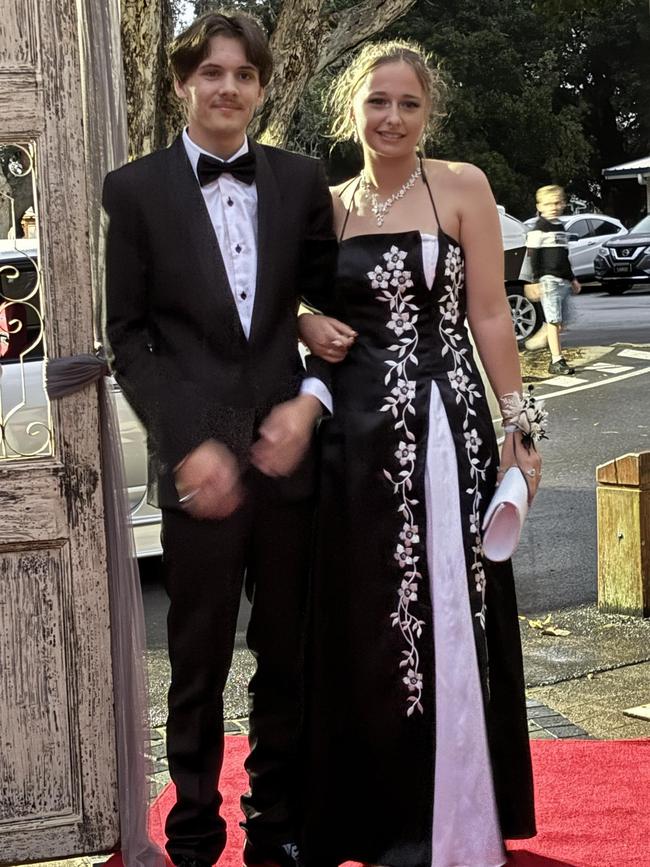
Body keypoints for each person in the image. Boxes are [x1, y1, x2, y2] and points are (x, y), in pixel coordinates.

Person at [102, 11, 337, 867]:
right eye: (210, 74)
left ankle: (275, 827)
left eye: (242, 75)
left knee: (287, 656)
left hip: (290, 465)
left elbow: (329, 314)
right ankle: (193, 834)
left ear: (263, 87)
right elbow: (128, 336)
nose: (227, 88)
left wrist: (308, 400)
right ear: (181, 85)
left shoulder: (302, 181)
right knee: (196, 664)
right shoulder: (132, 191)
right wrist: (184, 441)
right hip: (198, 470)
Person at [297, 40, 541, 867]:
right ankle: (381, 822)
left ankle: (460, 823)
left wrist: (523, 423)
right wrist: (301, 320)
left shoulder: (463, 186)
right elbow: (280, 306)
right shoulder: (324, 208)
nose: (391, 117)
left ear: (427, 111)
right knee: (368, 620)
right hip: (354, 446)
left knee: (451, 607)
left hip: (447, 431)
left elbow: (491, 317)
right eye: (377, 102)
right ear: (352, 109)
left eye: (407, 103)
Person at [526, 184, 581, 374]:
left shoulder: (561, 227)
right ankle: (556, 361)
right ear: (540, 206)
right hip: (548, 280)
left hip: (562, 280)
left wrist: (572, 279)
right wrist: (534, 281)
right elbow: (533, 255)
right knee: (554, 322)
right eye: (549, 204)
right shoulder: (539, 227)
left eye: (558, 203)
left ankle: (544, 334)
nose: (554, 207)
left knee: (561, 321)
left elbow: (563, 256)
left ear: (564, 203)